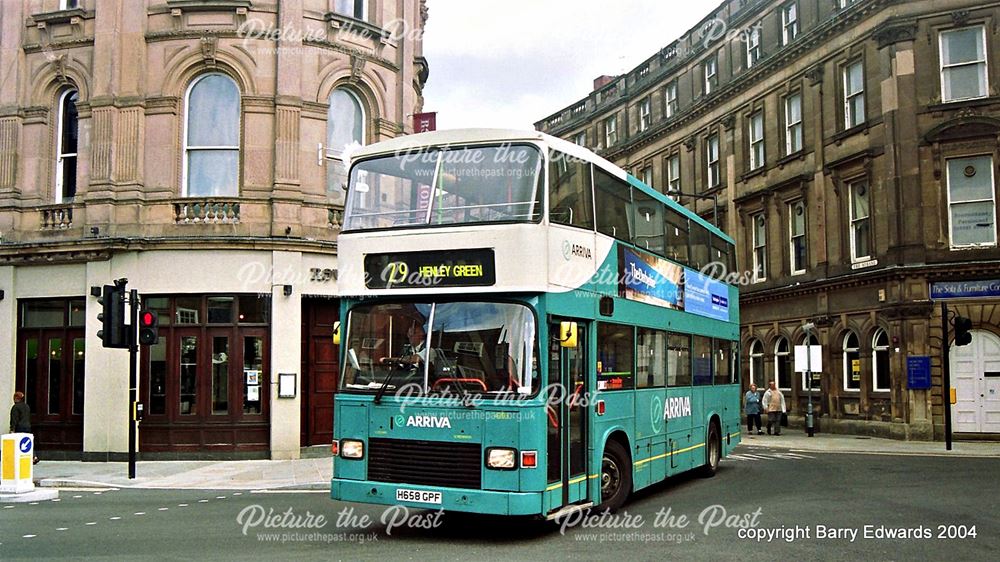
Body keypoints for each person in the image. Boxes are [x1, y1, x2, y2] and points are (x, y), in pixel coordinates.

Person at [9, 391, 38, 464]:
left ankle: (20, 457)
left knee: (19, 443)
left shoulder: (15, 407)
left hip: (20, 427)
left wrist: (12, 429)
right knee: (28, 442)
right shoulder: (26, 406)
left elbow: (14, 419)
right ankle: (34, 457)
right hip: (27, 427)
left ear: (16, 398)